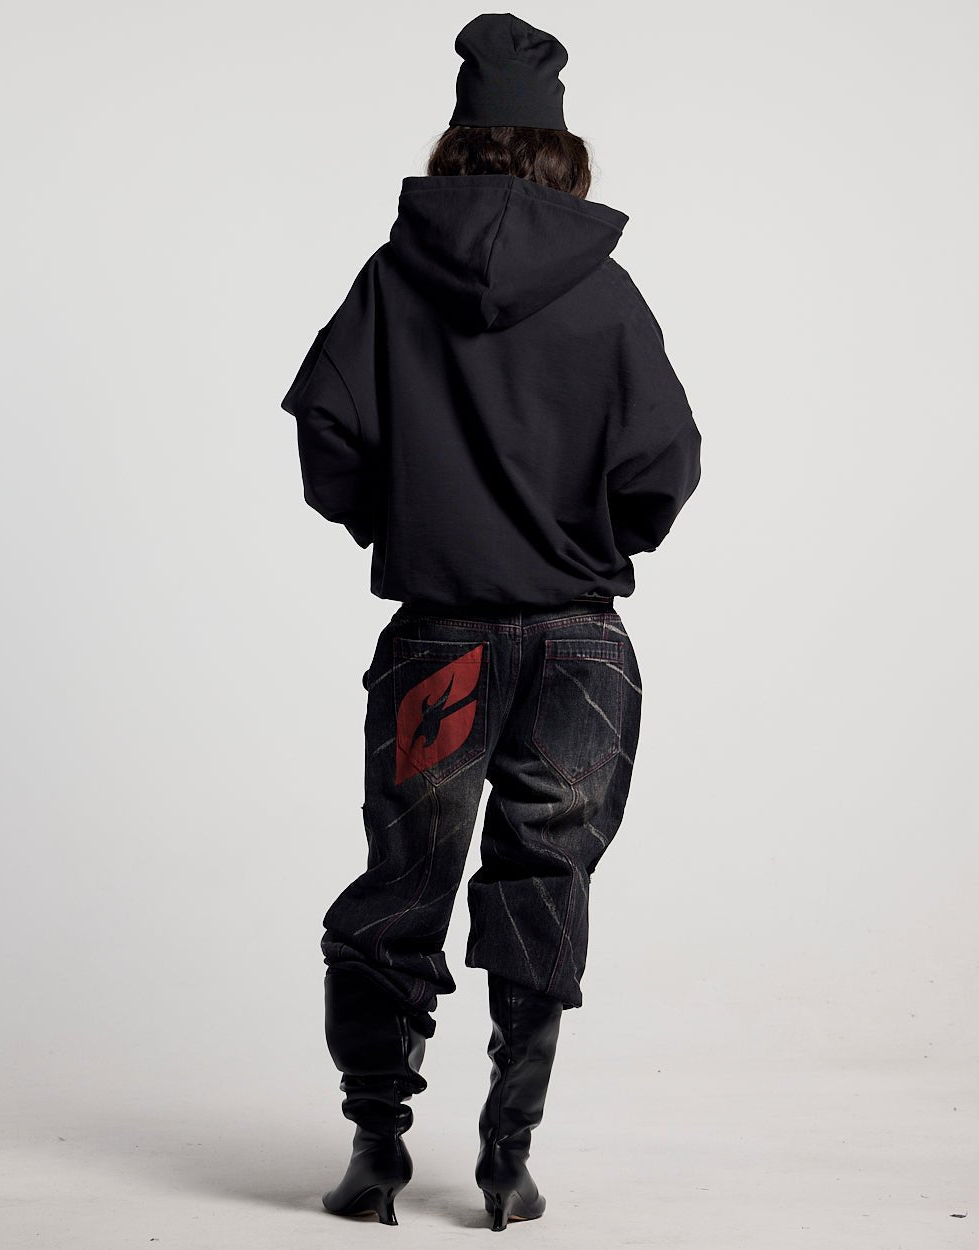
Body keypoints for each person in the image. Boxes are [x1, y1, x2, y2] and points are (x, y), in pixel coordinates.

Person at [279, 11, 702, 1232]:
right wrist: (596, 538)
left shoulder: (389, 280)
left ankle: (375, 1149)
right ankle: (506, 1159)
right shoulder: (607, 294)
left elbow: (328, 431)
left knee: (402, 883)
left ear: (455, 147)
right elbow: (665, 462)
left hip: (441, 636)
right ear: (563, 153)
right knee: (542, 878)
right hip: (578, 642)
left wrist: (403, 518)